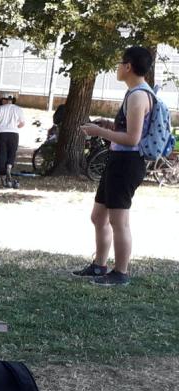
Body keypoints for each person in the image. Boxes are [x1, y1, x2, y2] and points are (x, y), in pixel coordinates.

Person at [75, 46, 155, 286]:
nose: (118, 68)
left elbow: (133, 138)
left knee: (119, 221)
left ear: (128, 66)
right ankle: (99, 266)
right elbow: (129, 128)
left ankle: (120, 273)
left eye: (120, 63)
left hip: (127, 163)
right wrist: (108, 124)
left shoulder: (139, 95)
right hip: (117, 160)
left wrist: (99, 131)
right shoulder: (135, 93)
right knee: (98, 216)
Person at [0, 95, 25, 183]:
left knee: (1, 153)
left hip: (2, 133)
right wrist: (15, 126)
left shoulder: (0, 108)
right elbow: (22, 124)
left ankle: (2, 174)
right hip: (14, 133)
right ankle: (9, 167)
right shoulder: (19, 109)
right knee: (12, 152)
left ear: (5, 100)